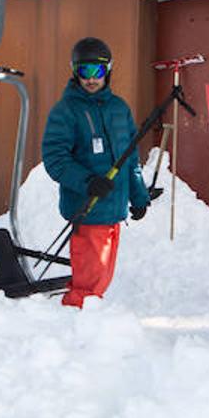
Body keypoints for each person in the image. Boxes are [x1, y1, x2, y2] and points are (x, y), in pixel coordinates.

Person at [41, 37, 151, 308]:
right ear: (74, 72)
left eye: (97, 72)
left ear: (108, 71)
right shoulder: (66, 111)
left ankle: (88, 320)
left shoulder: (119, 109)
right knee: (89, 281)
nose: (91, 79)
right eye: (84, 72)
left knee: (100, 278)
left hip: (113, 210)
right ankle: (76, 320)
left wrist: (139, 196)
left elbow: (131, 158)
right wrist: (87, 181)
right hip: (87, 208)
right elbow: (55, 158)